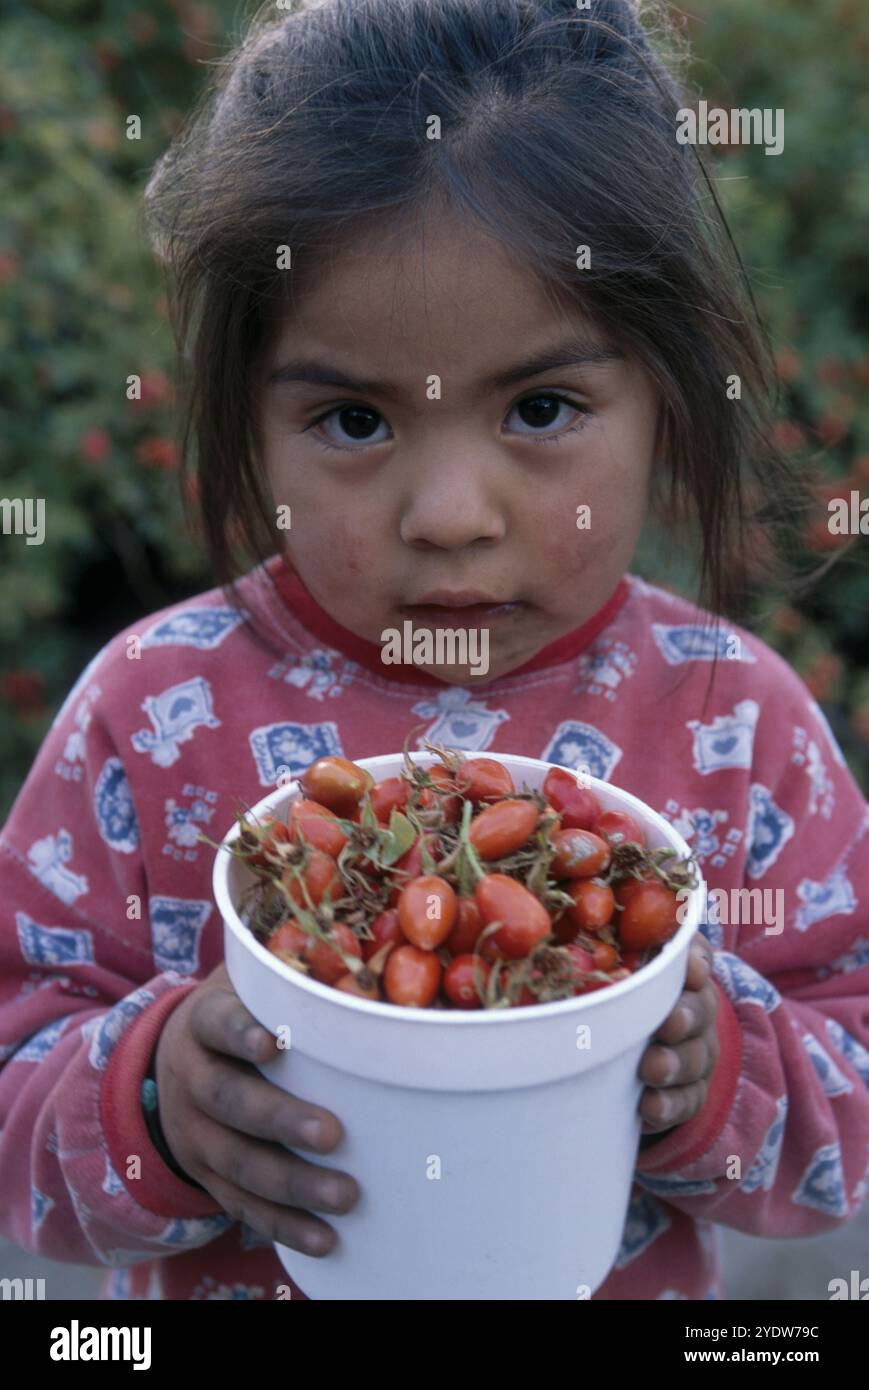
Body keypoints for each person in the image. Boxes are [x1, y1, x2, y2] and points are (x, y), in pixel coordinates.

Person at [1, 0, 866, 1302]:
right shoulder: (148, 712)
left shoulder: (732, 724)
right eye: (353, 418)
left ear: (665, 392)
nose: (449, 512)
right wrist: (155, 1103)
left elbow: (851, 1100)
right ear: (248, 413)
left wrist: (717, 1066)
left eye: (539, 407)